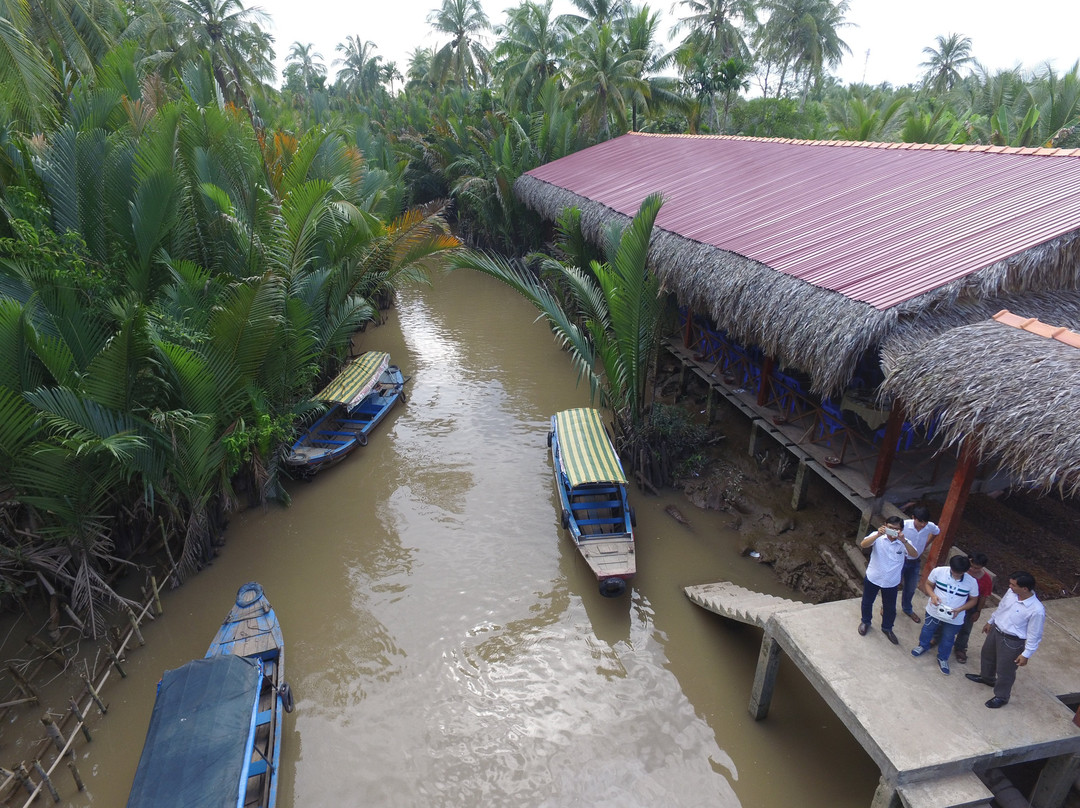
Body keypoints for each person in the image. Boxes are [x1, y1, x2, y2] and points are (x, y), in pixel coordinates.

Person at [965, 571, 1046, 708]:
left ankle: (1001, 696)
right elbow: (1002, 607)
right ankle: (987, 678)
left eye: (1013, 585)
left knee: (1005, 670)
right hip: (996, 630)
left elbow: (1035, 634)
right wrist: (991, 621)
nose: (1010, 586)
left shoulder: (1036, 610)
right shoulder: (1011, 593)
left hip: (1012, 641)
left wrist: (1026, 654)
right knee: (987, 655)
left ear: (1025, 589)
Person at [910, 556, 979, 675]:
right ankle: (923, 646)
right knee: (927, 629)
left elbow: (973, 600)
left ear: (965, 571)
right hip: (934, 611)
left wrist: (960, 609)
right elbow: (928, 584)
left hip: (955, 616)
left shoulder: (971, 582)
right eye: (954, 572)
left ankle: (943, 658)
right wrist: (933, 595)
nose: (956, 575)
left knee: (948, 638)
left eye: (960, 573)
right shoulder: (939, 571)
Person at [858, 516, 918, 644]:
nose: (892, 532)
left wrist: (904, 541)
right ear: (885, 525)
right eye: (890, 528)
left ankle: (887, 628)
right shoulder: (877, 536)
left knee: (890, 607)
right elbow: (863, 544)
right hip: (874, 577)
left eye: (896, 529)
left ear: (901, 530)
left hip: (891, 582)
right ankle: (865, 621)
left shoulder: (904, 542)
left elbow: (914, 555)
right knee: (867, 602)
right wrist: (878, 534)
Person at [939, 553, 992, 664]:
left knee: (966, 628)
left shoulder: (986, 579)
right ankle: (936, 637)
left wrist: (978, 611)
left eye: (976, 568)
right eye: (971, 566)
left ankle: (960, 648)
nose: (972, 569)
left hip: (970, 607)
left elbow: (983, 596)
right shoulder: (959, 570)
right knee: (942, 621)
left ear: (982, 567)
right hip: (952, 603)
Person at [898, 506, 940, 623]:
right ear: (913, 518)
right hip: (900, 560)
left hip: (914, 562)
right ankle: (885, 607)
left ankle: (907, 608)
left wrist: (926, 543)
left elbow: (936, 532)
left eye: (925, 522)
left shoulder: (929, 526)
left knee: (911, 588)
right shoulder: (904, 525)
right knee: (892, 585)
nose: (923, 524)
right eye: (920, 521)